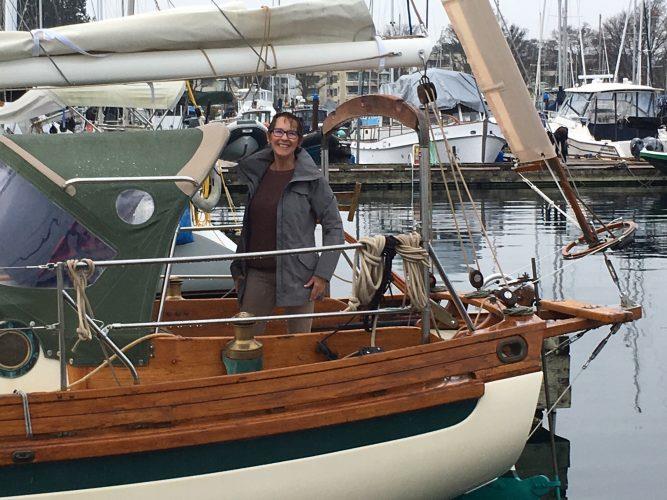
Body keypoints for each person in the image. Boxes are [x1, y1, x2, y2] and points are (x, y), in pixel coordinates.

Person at [231, 111, 343, 335]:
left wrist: (322, 275)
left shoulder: (313, 179)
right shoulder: (256, 173)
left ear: (299, 140)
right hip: (257, 274)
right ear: (270, 136)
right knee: (246, 340)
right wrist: (239, 268)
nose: (285, 138)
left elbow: (334, 228)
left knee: (299, 344)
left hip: (299, 277)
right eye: (279, 131)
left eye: (292, 133)